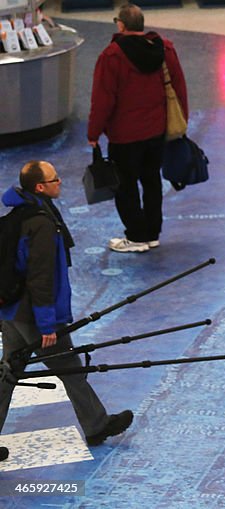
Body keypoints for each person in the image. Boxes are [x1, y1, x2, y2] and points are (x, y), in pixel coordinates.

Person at [1, 161, 134, 462]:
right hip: (35, 316)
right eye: (55, 179)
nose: (61, 182)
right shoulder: (43, 224)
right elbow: (42, 277)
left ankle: (96, 423)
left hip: (12, 312)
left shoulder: (19, 216)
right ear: (40, 187)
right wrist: (48, 324)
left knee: (8, 373)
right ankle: (97, 425)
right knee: (71, 368)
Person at [88, 3, 188, 253]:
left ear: (120, 24)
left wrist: (93, 133)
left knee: (125, 186)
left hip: (125, 135)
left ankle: (136, 236)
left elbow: (103, 99)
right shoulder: (164, 49)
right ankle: (153, 233)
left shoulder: (111, 56)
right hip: (157, 131)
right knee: (152, 180)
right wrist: (181, 120)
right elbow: (178, 86)